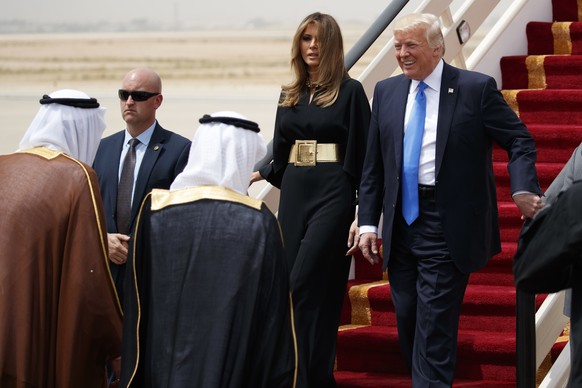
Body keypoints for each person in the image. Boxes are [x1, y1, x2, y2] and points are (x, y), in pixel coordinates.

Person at [356, 13, 542, 387]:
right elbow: (374, 165)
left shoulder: (475, 89)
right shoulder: (387, 92)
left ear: (437, 48)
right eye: (397, 46)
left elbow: (520, 139)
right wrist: (367, 221)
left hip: (447, 223)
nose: (402, 54)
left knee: (434, 325)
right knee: (409, 318)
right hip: (401, 226)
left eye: (411, 45)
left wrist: (522, 188)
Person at [120, 111, 297, 388]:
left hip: (162, 365)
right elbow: (272, 316)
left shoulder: (154, 210)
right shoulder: (258, 220)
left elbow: (137, 305)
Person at [250, 12, 371, 387]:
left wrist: (361, 211)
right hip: (296, 192)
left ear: (332, 45)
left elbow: (367, 157)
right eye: (306, 39)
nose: (312, 46)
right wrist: (257, 171)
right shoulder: (288, 94)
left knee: (305, 284)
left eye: (319, 39)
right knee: (292, 285)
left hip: (334, 192)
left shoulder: (350, 93)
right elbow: (281, 153)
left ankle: (303, 376)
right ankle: (307, 376)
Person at [0, 89, 123, 387]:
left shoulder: (4, 165)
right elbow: (87, 276)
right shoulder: (77, 176)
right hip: (37, 322)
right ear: (82, 129)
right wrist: (115, 339)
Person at [93, 67, 191, 305]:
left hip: (151, 277)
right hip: (104, 276)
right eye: (123, 94)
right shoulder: (101, 148)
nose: (128, 102)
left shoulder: (179, 150)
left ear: (157, 101)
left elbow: (183, 218)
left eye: (138, 96)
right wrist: (102, 240)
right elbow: (89, 206)